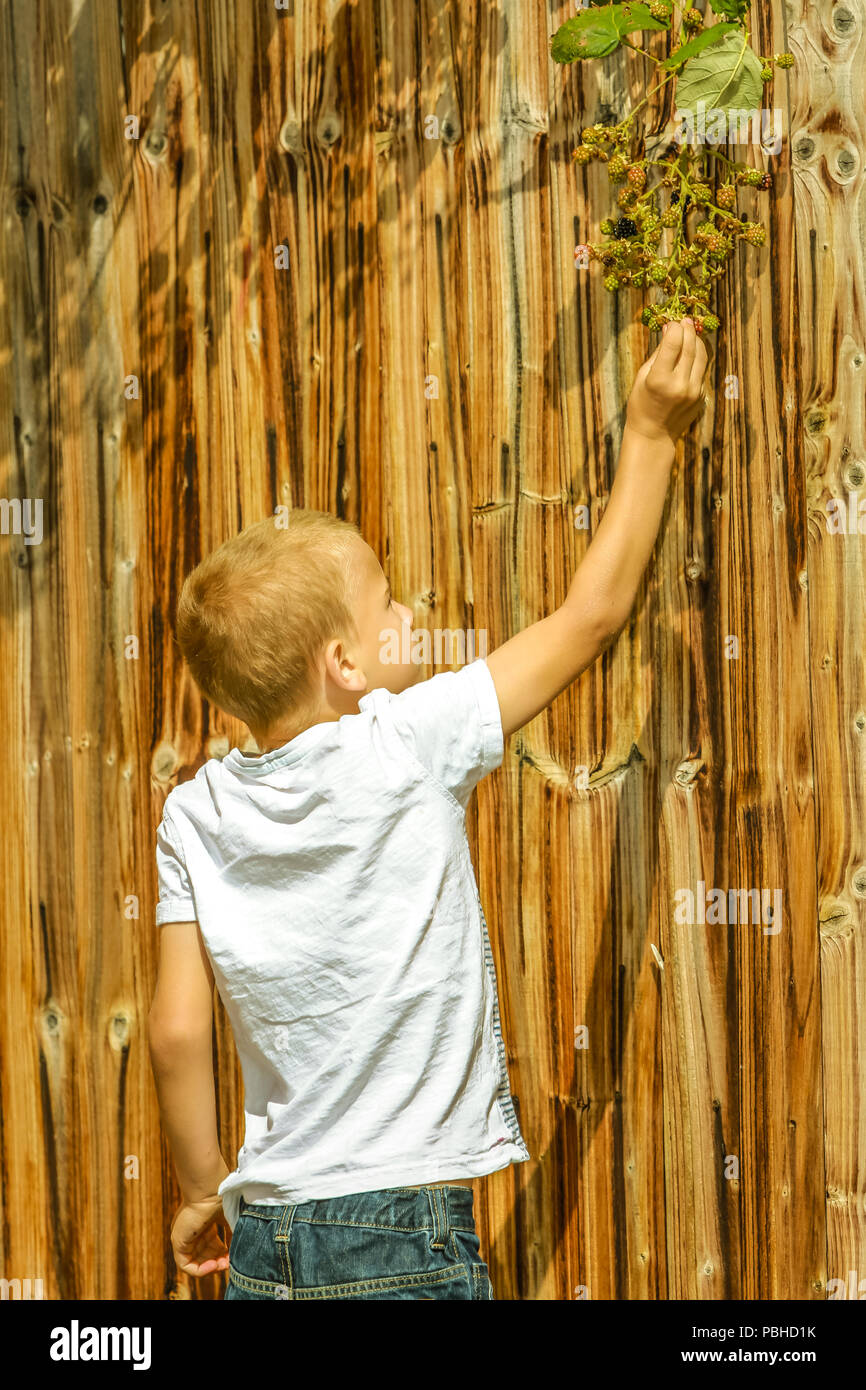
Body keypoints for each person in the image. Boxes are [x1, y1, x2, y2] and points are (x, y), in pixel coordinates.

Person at [147, 318, 708, 1300]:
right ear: (346, 665)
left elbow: (177, 1032)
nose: (410, 613)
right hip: (404, 1238)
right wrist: (652, 430)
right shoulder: (406, 738)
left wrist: (204, 1185)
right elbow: (591, 614)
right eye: (386, 603)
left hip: (263, 1238)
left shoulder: (192, 813)